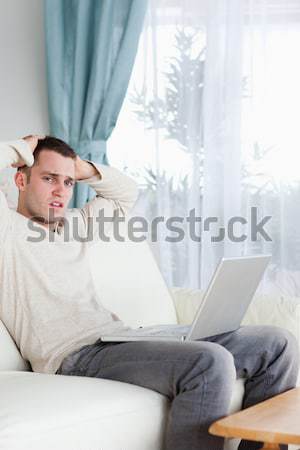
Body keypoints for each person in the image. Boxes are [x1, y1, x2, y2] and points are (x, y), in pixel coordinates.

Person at [0, 135, 299, 450]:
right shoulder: (7, 230)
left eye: (69, 183)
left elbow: (125, 192)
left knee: (277, 344)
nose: (61, 191)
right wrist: (23, 147)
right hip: (74, 355)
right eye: (49, 179)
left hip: (117, 338)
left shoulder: (74, 225)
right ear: (21, 179)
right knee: (209, 362)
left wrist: (79, 167)